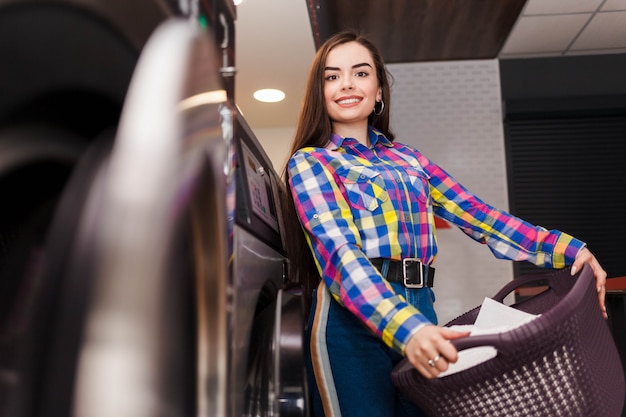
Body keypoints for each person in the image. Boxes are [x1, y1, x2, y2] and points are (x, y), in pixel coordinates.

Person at [280, 31, 608, 417]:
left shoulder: (409, 160)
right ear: (319, 92)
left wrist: (569, 249)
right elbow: (339, 255)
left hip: (421, 307)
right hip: (350, 324)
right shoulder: (311, 163)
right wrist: (408, 329)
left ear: (379, 89)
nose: (347, 84)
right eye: (332, 76)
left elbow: (481, 216)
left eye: (361, 73)